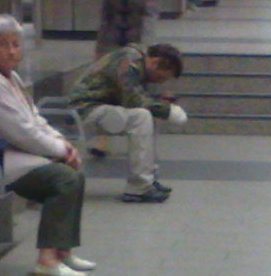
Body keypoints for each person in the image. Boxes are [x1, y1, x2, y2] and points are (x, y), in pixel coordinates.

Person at [0, 15, 94, 276]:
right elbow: (20, 130)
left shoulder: (9, 76)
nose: (11, 51)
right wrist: (60, 151)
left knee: (73, 173)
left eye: (15, 44)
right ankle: (47, 260)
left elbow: (33, 118)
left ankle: (62, 251)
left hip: (1, 151)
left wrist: (61, 143)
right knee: (63, 178)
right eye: (3, 44)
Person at [68, 41, 186, 203]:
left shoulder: (137, 61)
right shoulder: (128, 61)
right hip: (85, 110)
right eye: (160, 77)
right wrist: (167, 111)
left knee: (146, 115)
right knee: (141, 117)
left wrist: (159, 106)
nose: (159, 82)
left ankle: (149, 178)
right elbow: (132, 99)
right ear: (155, 62)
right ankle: (139, 187)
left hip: (100, 107)